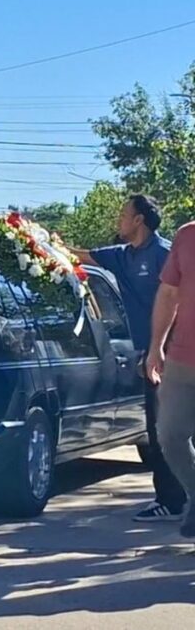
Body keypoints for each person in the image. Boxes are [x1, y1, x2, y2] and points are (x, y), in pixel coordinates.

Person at [73, 195, 182, 521]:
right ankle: (173, 499)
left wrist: (163, 348)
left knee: (170, 430)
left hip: (174, 354)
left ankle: (173, 501)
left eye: (124, 214)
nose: (118, 220)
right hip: (150, 355)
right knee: (160, 430)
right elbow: (81, 256)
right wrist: (38, 242)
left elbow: (179, 301)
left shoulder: (165, 254)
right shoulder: (121, 256)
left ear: (139, 220)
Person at [148, 220, 195, 537]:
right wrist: (156, 347)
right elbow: (168, 293)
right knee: (169, 434)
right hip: (182, 358)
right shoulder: (187, 235)